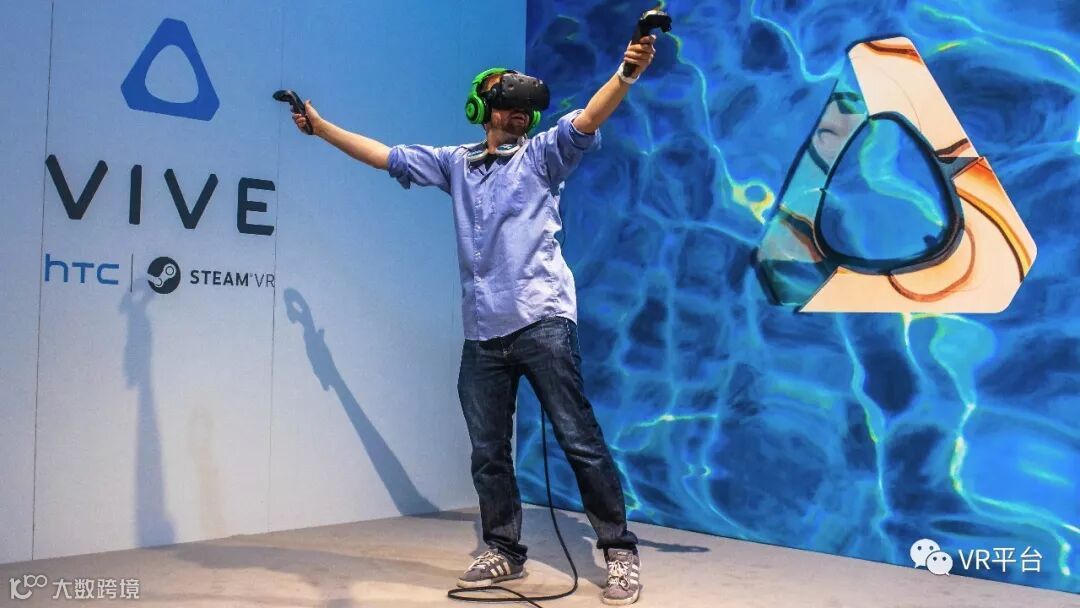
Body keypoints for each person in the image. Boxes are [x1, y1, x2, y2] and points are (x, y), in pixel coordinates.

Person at [289, 34, 657, 606]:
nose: (517, 114)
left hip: (541, 322)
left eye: (524, 108)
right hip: (483, 333)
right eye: (505, 104)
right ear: (480, 109)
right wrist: (320, 128)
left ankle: (618, 550)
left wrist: (626, 74)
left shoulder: (542, 156)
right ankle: (504, 549)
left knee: (578, 440)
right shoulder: (455, 164)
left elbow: (587, 117)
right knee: (488, 452)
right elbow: (384, 155)